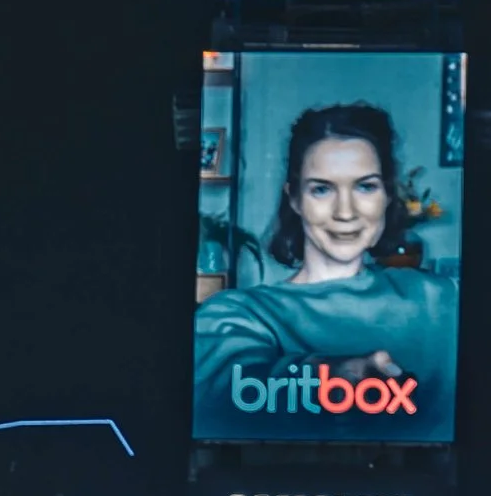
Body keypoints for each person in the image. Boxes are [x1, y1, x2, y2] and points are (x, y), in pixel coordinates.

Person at [192, 99, 453, 437]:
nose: (345, 212)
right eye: (321, 189)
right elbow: (222, 396)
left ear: (388, 195)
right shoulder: (238, 314)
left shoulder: (440, 299)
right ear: (294, 198)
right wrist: (332, 377)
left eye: (365, 186)